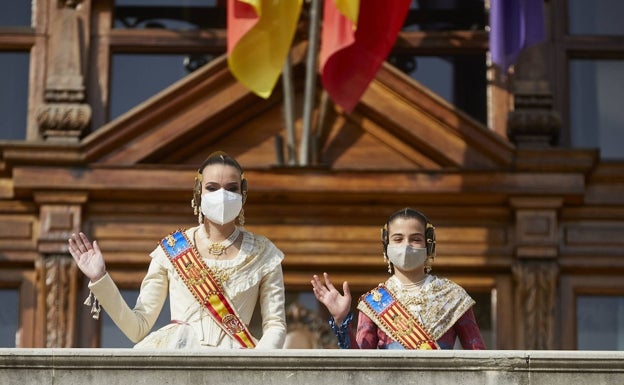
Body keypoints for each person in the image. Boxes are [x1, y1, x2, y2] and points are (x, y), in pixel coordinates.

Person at [68, 151, 287, 349]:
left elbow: (275, 325)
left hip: (237, 361)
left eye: (231, 188)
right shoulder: (172, 249)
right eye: (212, 188)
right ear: (198, 192)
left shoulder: (263, 253)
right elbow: (137, 327)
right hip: (178, 353)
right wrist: (100, 278)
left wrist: (257, 365)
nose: (222, 195)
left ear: (243, 194)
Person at [311, 207, 485, 350]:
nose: (406, 246)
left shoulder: (452, 296)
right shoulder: (375, 302)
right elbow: (360, 362)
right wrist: (341, 320)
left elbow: (479, 357)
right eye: (398, 239)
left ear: (429, 245)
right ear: (386, 247)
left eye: (416, 239)